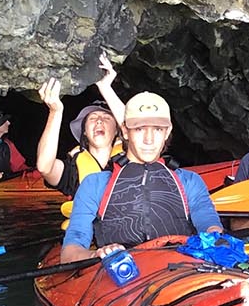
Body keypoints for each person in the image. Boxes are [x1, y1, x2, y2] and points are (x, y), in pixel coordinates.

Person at [61, 92, 224, 261]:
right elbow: (70, 252)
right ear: (125, 131)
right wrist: (96, 254)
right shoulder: (95, 184)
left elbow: (210, 225)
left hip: (180, 269)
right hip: (121, 274)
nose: (149, 140)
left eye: (158, 129)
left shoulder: (190, 181)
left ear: (167, 132)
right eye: (139, 129)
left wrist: (216, 239)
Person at [34, 56, 125, 198]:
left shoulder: (133, 160)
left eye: (107, 118)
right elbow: (45, 167)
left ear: (117, 132)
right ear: (84, 133)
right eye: (93, 119)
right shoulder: (73, 171)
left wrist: (105, 87)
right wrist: (55, 112)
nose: (99, 121)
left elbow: (135, 128)